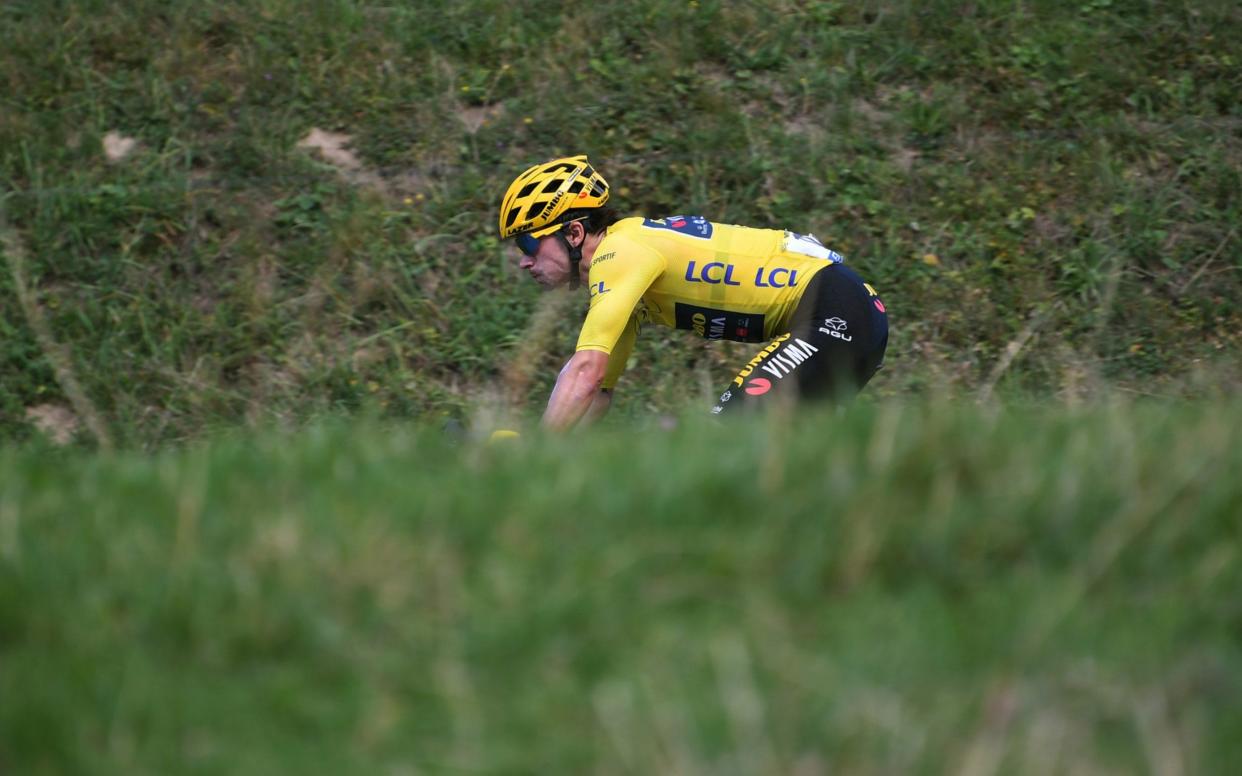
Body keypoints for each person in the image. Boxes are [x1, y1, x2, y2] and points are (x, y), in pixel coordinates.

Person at [498, 155, 888, 431]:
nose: (524, 261)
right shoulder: (626, 270)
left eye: (529, 245)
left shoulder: (619, 254)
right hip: (852, 311)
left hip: (835, 311)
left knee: (727, 437)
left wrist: (537, 453)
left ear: (574, 233)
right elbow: (597, 391)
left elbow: (586, 371)